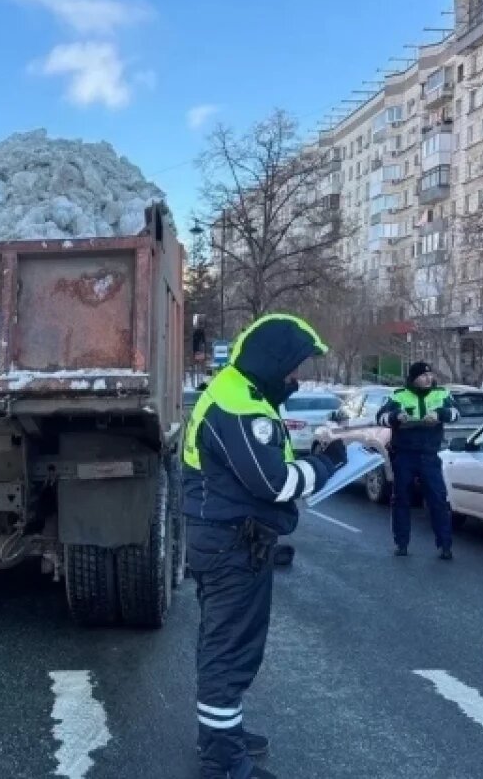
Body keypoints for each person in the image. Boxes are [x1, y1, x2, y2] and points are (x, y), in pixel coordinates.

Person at [182, 314, 348, 779]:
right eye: (293, 368)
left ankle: (223, 735)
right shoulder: (238, 405)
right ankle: (222, 760)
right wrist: (327, 465)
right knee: (229, 651)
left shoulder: (243, 394)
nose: (295, 379)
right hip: (232, 547)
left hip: (231, 542)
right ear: (273, 361)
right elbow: (274, 482)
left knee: (229, 645)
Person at [375, 362, 459, 560]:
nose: (428, 378)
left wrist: (440, 414)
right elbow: (380, 417)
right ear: (413, 379)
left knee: (438, 500)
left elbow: (456, 413)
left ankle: (445, 546)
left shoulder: (441, 394)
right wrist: (396, 416)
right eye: (423, 375)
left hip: (429, 455)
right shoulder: (399, 395)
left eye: (430, 375)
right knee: (401, 500)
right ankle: (401, 543)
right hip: (405, 455)